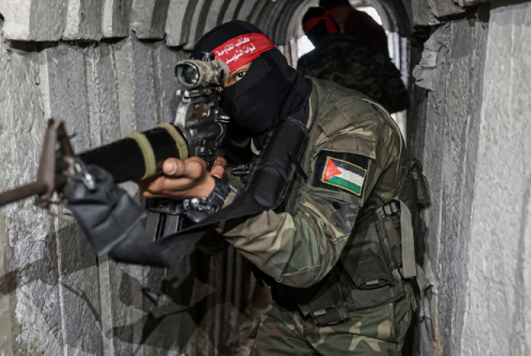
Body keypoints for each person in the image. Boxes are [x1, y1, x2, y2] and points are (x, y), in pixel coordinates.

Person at [65, 21, 423, 355]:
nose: (234, 100)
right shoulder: (258, 133)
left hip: (364, 319)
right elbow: (214, 245)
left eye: (238, 78)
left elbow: (308, 259)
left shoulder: (351, 128)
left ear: (269, 66)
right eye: (221, 91)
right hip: (290, 307)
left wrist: (213, 194)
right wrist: (190, 197)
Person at [297, 7, 409, 114]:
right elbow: (399, 100)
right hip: (376, 129)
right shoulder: (371, 49)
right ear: (335, 25)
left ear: (312, 36)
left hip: (332, 133)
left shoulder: (306, 64)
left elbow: (304, 112)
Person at [319, 0, 388, 51]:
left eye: (336, 16)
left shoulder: (355, 23)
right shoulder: (362, 19)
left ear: (346, 8)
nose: (335, 21)